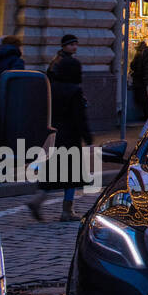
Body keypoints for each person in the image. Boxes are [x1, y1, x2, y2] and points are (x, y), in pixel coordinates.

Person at [29, 34, 92, 222]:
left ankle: (37, 200)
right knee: (72, 174)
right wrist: (87, 137)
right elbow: (79, 117)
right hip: (71, 136)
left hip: (56, 133)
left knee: (53, 171)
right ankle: (67, 210)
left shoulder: (53, 87)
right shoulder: (75, 90)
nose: (74, 47)